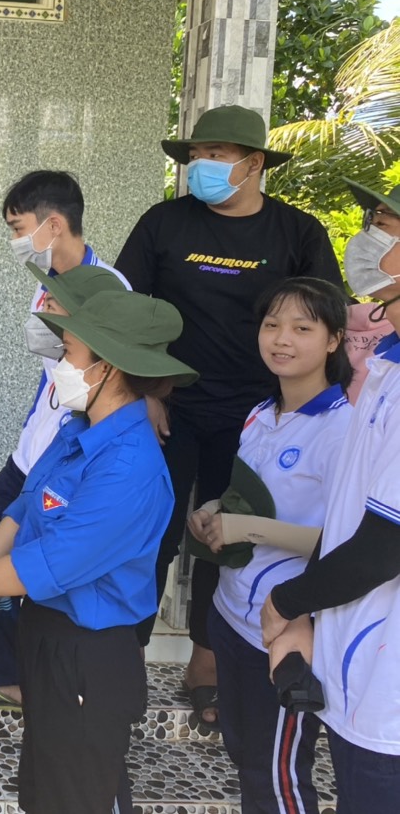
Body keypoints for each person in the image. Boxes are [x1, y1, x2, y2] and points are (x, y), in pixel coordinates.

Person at [115, 104, 342, 733]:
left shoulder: (297, 233)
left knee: (230, 538)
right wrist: (146, 391)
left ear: (254, 163)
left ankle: (206, 664)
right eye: (196, 156)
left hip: (255, 419)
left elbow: (326, 321)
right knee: (149, 533)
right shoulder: (164, 222)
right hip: (169, 408)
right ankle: (123, 662)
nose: (201, 167)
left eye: (215, 155)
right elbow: (125, 311)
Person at [0, 288, 196, 814]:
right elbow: (22, 510)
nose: (61, 367)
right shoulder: (79, 431)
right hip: (47, 635)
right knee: (46, 789)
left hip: (89, 654)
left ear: (109, 367)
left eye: (70, 352)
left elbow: (52, 563)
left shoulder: (128, 466)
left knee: (78, 796)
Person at [0, 170, 128, 709]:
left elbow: (112, 381)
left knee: (25, 567)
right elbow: (52, 375)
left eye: (18, 227)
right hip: (31, 454)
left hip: (67, 460)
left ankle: (39, 680)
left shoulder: (106, 289)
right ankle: (14, 675)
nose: (15, 240)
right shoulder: (48, 276)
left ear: (53, 224)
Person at [261, 177, 400, 814]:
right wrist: (306, 615)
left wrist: (286, 601)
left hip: (387, 697)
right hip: (355, 672)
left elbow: (383, 547)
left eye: (388, 228)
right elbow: (351, 515)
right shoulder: (387, 366)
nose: (370, 241)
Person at [188, 277, 352, 814]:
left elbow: (346, 542)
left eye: (303, 328)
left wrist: (247, 529)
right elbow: (246, 494)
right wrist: (215, 510)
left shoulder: (342, 429)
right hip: (231, 614)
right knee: (245, 755)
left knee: (278, 776)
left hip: (282, 629)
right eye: (272, 324)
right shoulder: (262, 413)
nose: (282, 339)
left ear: (333, 340)